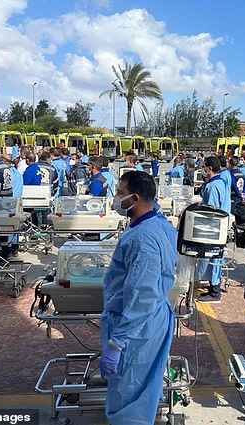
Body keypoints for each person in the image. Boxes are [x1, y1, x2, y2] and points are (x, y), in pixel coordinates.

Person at [100, 170, 176, 425]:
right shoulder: (158, 224)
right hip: (151, 318)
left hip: (137, 326)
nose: (116, 199)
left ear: (136, 198)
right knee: (143, 385)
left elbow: (141, 294)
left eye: (120, 193)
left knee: (129, 389)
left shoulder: (143, 239)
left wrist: (117, 343)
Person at [196, 156, 229, 303]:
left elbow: (211, 210)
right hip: (221, 226)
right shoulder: (221, 183)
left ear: (209, 168)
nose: (203, 169)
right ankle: (213, 287)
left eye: (204, 166)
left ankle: (215, 291)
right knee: (216, 258)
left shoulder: (212, 186)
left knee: (213, 258)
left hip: (214, 228)